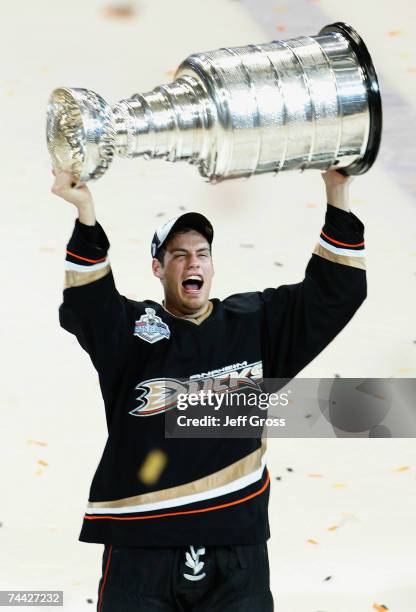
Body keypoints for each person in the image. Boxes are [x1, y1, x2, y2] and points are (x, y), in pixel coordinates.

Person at [52, 168, 366, 612]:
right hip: (143, 547)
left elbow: (335, 293)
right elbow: (87, 305)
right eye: (178, 255)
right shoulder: (133, 332)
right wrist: (85, 215)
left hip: (236, 550)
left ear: (213, 265)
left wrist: (337, 191)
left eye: (202, 253)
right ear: (158, 268)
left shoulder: (255, 322)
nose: (193, 262)